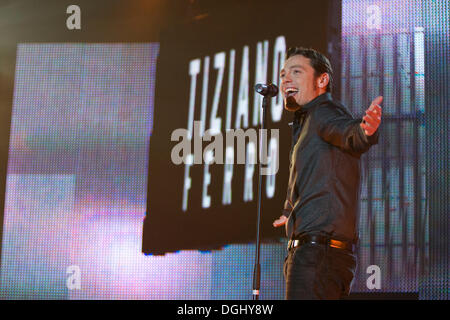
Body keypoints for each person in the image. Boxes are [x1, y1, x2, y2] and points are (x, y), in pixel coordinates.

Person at [272, 47, 382, 300]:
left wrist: (366, 130)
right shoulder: (307, 121)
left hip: (317, 256)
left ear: (322, 80)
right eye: (283, 74)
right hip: (319, 255)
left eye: (296, 72)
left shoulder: (324, 112)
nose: (285, 79)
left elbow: (349, 133)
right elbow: (308, 173)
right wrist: (290, 211)